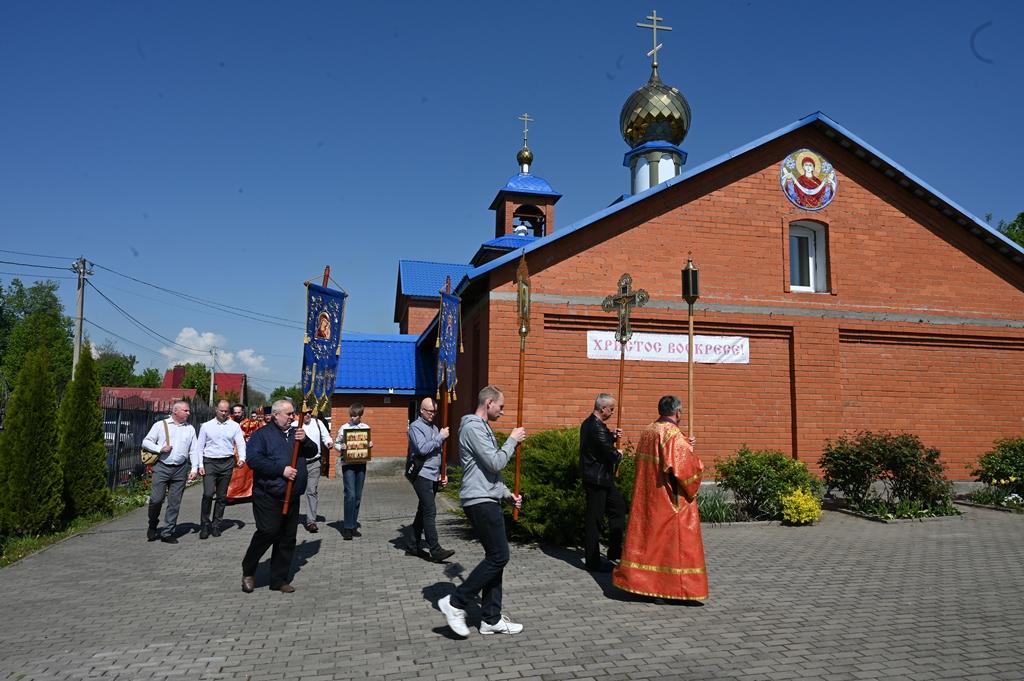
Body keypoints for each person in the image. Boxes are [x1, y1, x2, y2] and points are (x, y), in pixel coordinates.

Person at [438, 385, 526, 637]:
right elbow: (495, 462)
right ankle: (456, 602)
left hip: (487, 498)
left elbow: (488, 473)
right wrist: (512, 440)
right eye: (501, 406)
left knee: (495, 558)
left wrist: (506, 494)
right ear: (488, 403)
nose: (503, 411)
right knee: (499, 557)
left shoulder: (483, 428)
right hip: (479, 501)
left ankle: (491, 618)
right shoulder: (473, 427)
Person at [612, 395, 707, 602]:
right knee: (670, 545)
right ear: (678, 412)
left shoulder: (648, 430)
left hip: (647, 496)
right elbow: (684, 469)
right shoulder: (672, 434)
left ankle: (642, 584)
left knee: (649, 542)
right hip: (669, 499)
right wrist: (693, 458)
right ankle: (666, 589)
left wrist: (685, 444)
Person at [241, 399, 318, 594]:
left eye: (293, 413)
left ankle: (278, 579)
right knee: (268, 532)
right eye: (289, 414)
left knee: (287, 538)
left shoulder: (296, 433)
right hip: (268, 495)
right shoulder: (261, 435)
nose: (293, 417)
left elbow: (313, 451)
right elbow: (254, 460)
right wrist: (280, 470)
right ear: (276, 415)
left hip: (292, 495)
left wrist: (305, 440)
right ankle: (249, 569)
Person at [579, 393, 626, 572]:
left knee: (618, 508)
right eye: (611, 409)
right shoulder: (596, 427)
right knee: (595, 520)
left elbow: (599, 444)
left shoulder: (590, 423)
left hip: (602, 478)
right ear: (602, 408)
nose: (613, 412)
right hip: (597, 479)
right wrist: (619, 454)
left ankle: (615, 549)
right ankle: (593, 561)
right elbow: (610, 453)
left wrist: (612, 436)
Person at [141, 400, 199, 543]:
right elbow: (146, 442)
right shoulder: (160, 425)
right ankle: (153, 523)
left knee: (174, 502)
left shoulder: (190, 429)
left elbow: (194, 450)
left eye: (189, 410)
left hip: (180, 468)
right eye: (186, 410)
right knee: (156, 499)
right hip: (162, 467)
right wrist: (159, 449)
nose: (189, 413)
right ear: (175, 411)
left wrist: (194, 468)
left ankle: (167, 532)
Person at [406, 397, 454, 562]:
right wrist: (440, 437)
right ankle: (435, 549)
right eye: (430, 411)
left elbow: (438, 454)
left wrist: (442, 473)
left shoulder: (433, 427)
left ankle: (412, 545)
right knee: (429, 511)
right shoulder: (415, 427)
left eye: (435, 411)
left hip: (433, 474)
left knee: (423, 511)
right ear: (421, 410)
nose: (433, 414)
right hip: (422, 474)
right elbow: (422, 449)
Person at [196, 400, 247, 539]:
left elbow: (240, 443)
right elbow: (199, 446)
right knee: (208, 494)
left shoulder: (234, 426)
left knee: (221, 496)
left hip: (227, 462)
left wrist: (242, 458)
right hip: (210, 462)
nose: (223, 413)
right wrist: (200, 465)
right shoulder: (206, 426)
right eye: (221, 410)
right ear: (216, 410)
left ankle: (216, 525)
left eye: (226, 411)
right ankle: (204, 524)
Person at [334, 403, 373, 540]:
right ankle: (347, 527)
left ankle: (353, 525)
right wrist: (341, 447)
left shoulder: (365, 427)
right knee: (350, 495)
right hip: (348, 464)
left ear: (360, 415)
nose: (352, 417)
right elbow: (336, 443)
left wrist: (369, 445)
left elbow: (366, 443)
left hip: (361, 463)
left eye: (355, 415)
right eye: (351, 415)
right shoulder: (344, 428)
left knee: (357, 496)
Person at [292, 408, 332, 533]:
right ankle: (291, 518)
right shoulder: (294, 425)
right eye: (305, 413)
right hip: (299, 463)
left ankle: (311, 521)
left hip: (314, 462)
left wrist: (329, 442)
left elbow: (326, 436)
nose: (308, 415)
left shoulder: (318, 423)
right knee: (296, 491)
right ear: (299, 414)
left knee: (311, 491)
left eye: (310, 413)